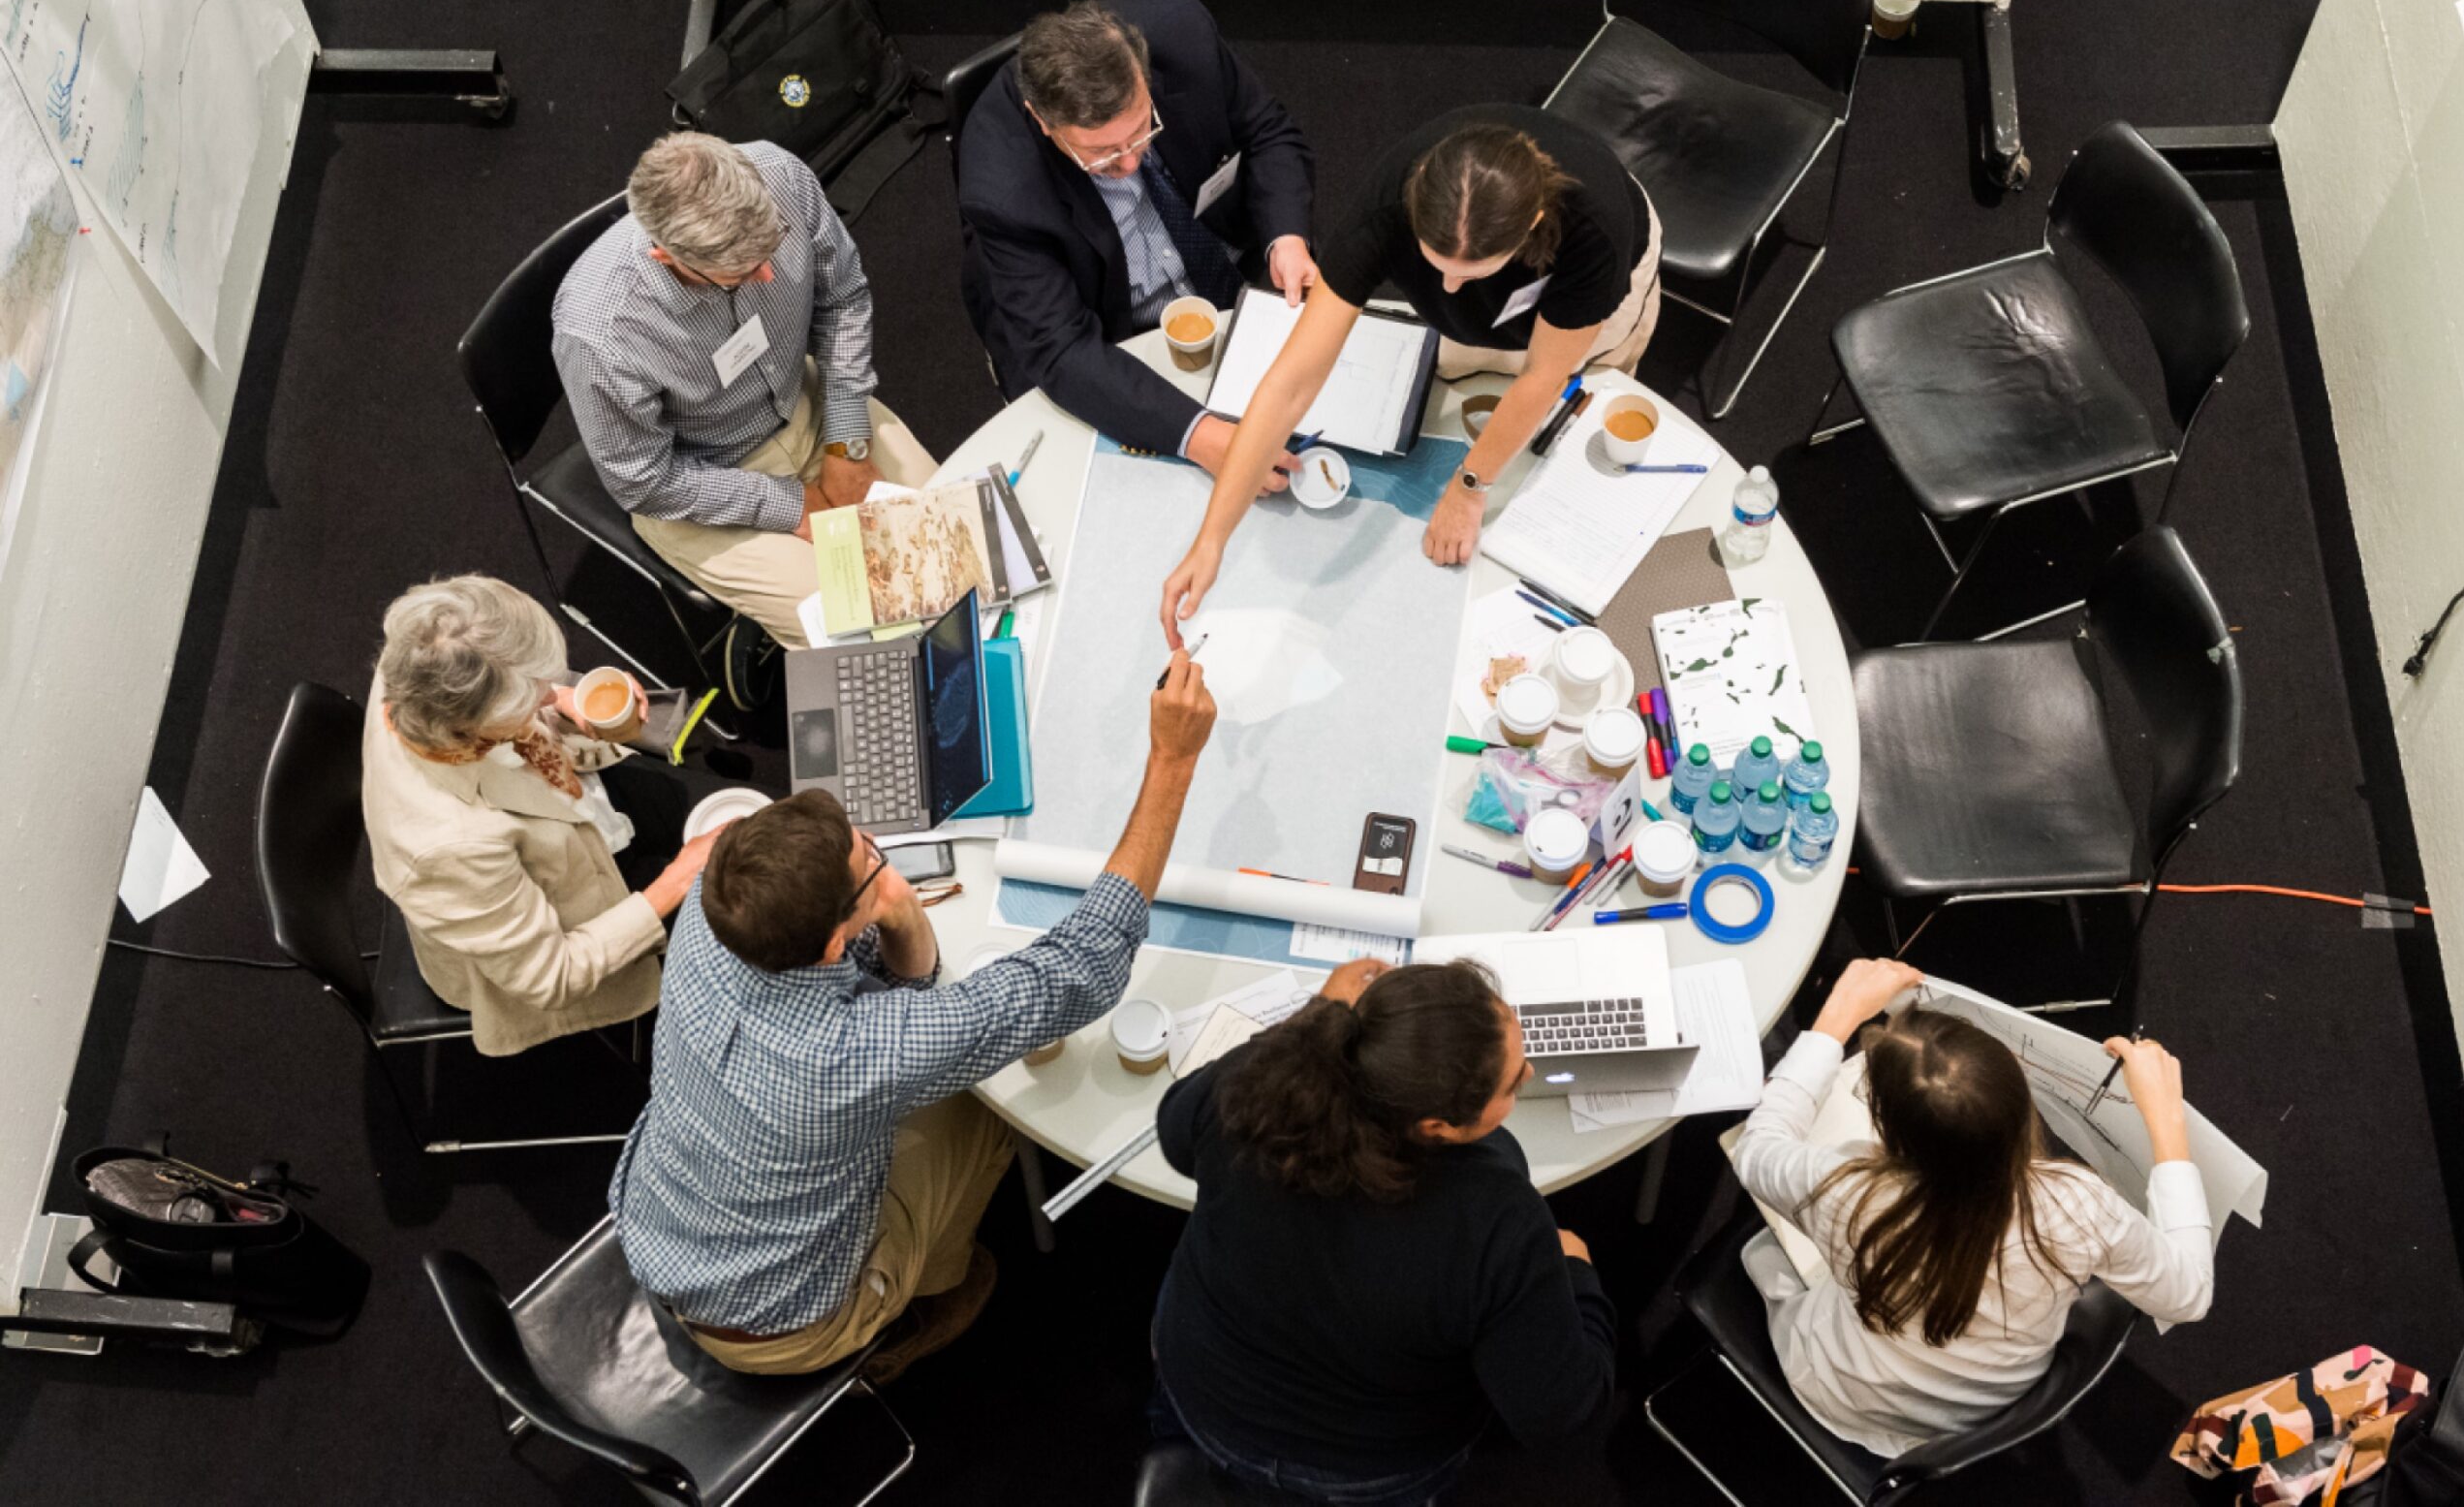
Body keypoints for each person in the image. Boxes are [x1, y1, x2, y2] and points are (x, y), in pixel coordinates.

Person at [610, 650, 1221, 1381]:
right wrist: (1172, 761)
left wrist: (891, 902)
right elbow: (1083, 966)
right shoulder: (850, 1055)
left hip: (661, 1224)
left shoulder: (718, 901)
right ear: (831, 943)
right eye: (869, 861)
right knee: (999, 1101)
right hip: (780, 1319)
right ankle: (919, 1298)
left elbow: (905, 992)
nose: (878, 854)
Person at [1160, 105, 1662, 645]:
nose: (1448, 289)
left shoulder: (1593, 233)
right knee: (1457, 361)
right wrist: (1212, 539)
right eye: (1436, 264)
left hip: (1589, 302)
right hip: (1495, 301)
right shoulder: (1386, 207)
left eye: (1470, 273)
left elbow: (1543, 376)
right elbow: (1290, 384)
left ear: (1533, 227)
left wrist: (1470, 486)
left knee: (1577, 405)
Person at [1151, 957, 1615, 1503]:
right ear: (1438, 1126)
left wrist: (1310, 1026)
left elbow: (1175, 1134)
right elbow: (1562, 1418)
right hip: (1360, 1464)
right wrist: (1575, 1275)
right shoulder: (1498, 1222)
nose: (1531, 1072)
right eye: (1512, 1083)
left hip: (1202, 1390)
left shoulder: (1255, 1087)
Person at [1731, 958, 2216, 1457]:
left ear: (1888, 1130)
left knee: (1772, 1245)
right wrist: (2166, 1121)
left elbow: (1757, 1147)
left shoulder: (1843, 1189)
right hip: (1983, 1409)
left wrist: (1836, 1019)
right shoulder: (2077, 1206)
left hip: (1847, 1391)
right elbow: (2189, 1296)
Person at [553, 131, 941, 650]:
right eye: (739, 275)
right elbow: (645, 481)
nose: (770, 273)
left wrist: (846, 442)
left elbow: (843, 297)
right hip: (705, 483)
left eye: (773, 246)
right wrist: (791, 506)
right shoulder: (598, 335)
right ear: (667, 258)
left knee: (952, 554)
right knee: (868, 634)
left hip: (809, 401)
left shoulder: (780, 174)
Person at [955, 0, 1316, 475]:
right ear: (1043, 122)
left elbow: (1267, 133)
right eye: (1101, 154)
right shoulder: (1002, 189)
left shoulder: (1185, 37)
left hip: (1233, 266)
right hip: (1115, 334)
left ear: (1143, 76)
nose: (1128, 163)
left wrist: (1286, 237)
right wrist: (1201, 437)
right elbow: (1062, 349)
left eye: (1142, 131)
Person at [361, 576, 717, 1055]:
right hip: (556, 916)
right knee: (755, 908)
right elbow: (554, 975)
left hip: (574, 812)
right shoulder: (448, 847)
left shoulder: (426, 638)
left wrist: (564, 699)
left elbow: (510, 678)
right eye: (535, 691)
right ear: (471, 723)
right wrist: (678, 880)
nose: (551, 695)